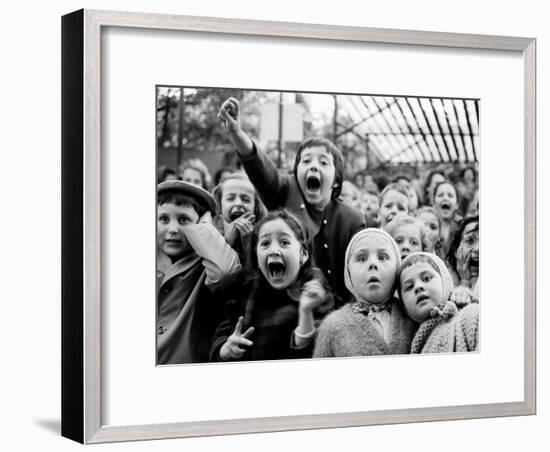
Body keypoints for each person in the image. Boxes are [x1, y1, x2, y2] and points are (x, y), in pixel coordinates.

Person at [218, 97, 365, 305]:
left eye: (323, 162)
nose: (313, 166)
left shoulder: (352, 219)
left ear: (336, 180)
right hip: (285, 309)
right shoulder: (285, 190)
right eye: (306, 161)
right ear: (296, 173)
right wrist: (236, 134)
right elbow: (261, 168)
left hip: (337, 313)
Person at [210, 210, 334, 361]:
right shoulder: (243, 291)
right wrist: (225, 349)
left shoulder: (315, 290)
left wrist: (306, 312)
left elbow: (321, 353)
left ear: (303, 254)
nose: (274, 251)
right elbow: (220, 339)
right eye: (265, 243)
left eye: (284, 242)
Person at [156, 180, 241, 364]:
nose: (173, 229)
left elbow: (225, 271)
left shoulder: (204, 263)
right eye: (164, 219)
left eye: (184, 220)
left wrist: (205, 227)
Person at [313, 228, 417, 358]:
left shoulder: (413, 314)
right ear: (348, 272)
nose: (373, 264)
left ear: (397, 267)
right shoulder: (332, 326)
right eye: (362, 258)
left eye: (383, 257)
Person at [398, 252, 479, 353]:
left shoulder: (470, 316)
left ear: (445, 283)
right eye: (409, 286)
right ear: (403, 305)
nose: (418, 287)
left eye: (427, 278)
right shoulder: (406, 345)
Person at [212, 173, 266, 264]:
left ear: (255, 207)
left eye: (246, 200)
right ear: (219, 204)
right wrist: (227, 242)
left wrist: (248, 245)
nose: (238, 203)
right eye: (230, 198)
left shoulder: (263, 235)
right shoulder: (209, 233)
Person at [432, 180, 461, 256]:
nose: (445, 198)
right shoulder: (426, 226)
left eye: (450, 195)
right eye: (440, 195)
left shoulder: (462, 227)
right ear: (434, 203)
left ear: (457, 204)